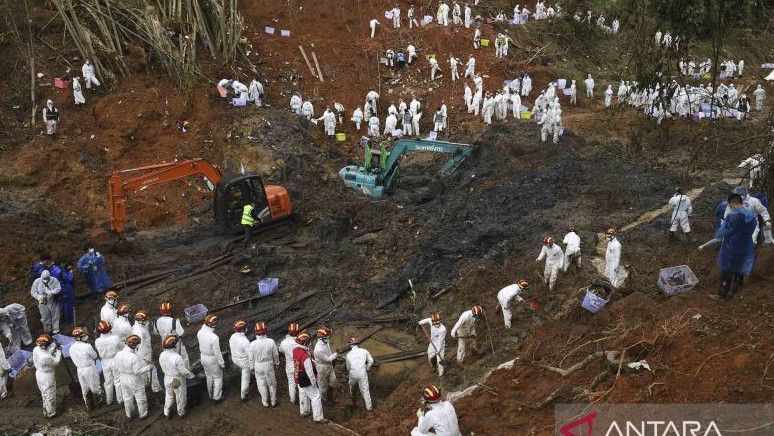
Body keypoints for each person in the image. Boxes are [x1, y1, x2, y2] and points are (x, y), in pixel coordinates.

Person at [699, 193, 757, 298]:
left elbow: (723, 232)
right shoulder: (751, 215)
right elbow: (752, 230)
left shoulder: (733, 215)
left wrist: (717, 236)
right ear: (741, 202)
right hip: (745, 246)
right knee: (740, 268)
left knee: (727, 270)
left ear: (731, 204)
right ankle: (736, 292)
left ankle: (722, 294)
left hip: (731, 247)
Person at [115, 335, 152, 419]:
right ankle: (143, 414)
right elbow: (137, 371)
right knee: (140, 397)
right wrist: (149, 367)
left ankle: (129, 414)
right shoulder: (133, 357)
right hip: (134, 379)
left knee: (127, 397)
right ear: (134, 345)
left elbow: (116, 367)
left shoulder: (118, 354)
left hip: (123, 378)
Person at [158, 335, 195, 418]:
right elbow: (183, 371)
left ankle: (166, 412)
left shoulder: (162, 355)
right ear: (174, 345)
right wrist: (191, 376)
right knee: (180, 397)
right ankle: (181, 413)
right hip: (177, 380)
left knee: (169, 395)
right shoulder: (177, 357)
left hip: (166, 378)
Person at [294, 331, 325, 422]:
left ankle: (304, 411)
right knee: (316, 396)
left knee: (303, 393)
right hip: (306, 377)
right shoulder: (305, 356)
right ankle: (318, 418)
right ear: (306, 343)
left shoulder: (296, 350)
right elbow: (310, 372)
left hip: (298, 375)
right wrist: (314, 383)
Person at [69, 326, 103, 409]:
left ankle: (89, 406)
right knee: (95, 386)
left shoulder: (71, 348)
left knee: (85, 388)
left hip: (79, 370)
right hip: (89, 368)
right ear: (78, 338)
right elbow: (94, 356)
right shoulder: (87, 346)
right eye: (83, 336)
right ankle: (99, 403)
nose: (85, 337)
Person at [249, 321, 279, 408]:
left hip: (258, 365)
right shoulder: (271, 341)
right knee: (272, 383)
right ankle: (273, 401)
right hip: (269, 364)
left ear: (256, 332)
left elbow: (251, 358)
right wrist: (277, 363)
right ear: (265, 331)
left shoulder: (252, 344)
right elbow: (275, 354)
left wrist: (252, 368)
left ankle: (265, 402)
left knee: (261, 384)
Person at [132, 310, 162, 393]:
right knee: (152, 370)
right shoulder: (139, 332)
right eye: (145, 320)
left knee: (145, 372)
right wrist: (146, 358)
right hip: (144, 354)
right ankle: (156, 389)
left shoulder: (139, 325)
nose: (147, 321)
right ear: (140, 321)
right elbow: (139, 346)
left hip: (146, 351)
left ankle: (146, 385)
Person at [32, 334, 62, 417]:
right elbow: (56, 362)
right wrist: (58, 351)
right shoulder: (46, 357)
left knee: (44, 393)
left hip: (39, 373)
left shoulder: (36, 349)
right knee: (50, 394)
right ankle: (51, 413)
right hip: (47, 376)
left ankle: (46, 411)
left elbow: (47, 351)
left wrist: (53, 348)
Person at [95, 320, 123, 405]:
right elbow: (122, 347)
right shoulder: (115, 338)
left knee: (107, 381)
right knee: (117, 380)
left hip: (104, 361)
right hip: (115, 359)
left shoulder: (97, 341)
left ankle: (109, 400)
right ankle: (120, 399)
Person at [197, 314, 225, 402]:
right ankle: (217, 397)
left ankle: (210, 394)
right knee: (217, 377)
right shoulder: (214, 337)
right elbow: (217, 352)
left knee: (209, 376)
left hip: (203, 357)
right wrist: (222, 363)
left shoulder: (199, 332)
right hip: (212, 359)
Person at [153, 300, 188, 368]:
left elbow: (156, 333)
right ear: (170, 310)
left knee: (169, 359)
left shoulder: (156, 321)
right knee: (183, 358)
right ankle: (186, 374)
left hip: (165, 343)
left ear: (161, 311)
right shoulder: (174, 321)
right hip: (176, 344)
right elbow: (181, 333)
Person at [345, 337, 374, 411]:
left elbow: (348, 368)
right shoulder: (364, 351)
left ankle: (354, 403)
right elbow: (371, 361)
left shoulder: (348, 355)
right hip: (362, 373)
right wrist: (367, 368)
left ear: (350, 345)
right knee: (365, 390)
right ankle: (369, 408)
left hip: (352, 374)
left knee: (352, 388)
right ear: (357, 344)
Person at [228, 319, 252, 401]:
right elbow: (250, 355)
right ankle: (244, 395)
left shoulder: (232, 336)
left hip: (234, 358)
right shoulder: (245, 341)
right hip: (244, 362)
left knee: (242, 369)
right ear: (243, 329)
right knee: (245, 378)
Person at [31, 270, 61, 334]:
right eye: (44, 279)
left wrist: (52, 292)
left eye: (47, 279)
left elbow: (58, 288)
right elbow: (33, 292)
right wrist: (38, 296)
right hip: (42, 302)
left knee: (55, 315)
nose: (45, 280)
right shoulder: (37, 282)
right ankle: (48, 331)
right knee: (45, 317)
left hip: (53, 300)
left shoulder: (54, 280)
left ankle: (56, 330)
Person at [279, 323, 301, 404]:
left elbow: (280, 350)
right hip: (299, 364)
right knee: (300, 383)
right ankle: (303, 401)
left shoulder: (284, 342)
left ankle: (292, 399)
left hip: (289, 365)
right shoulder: (300, 342)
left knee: (291, 383)